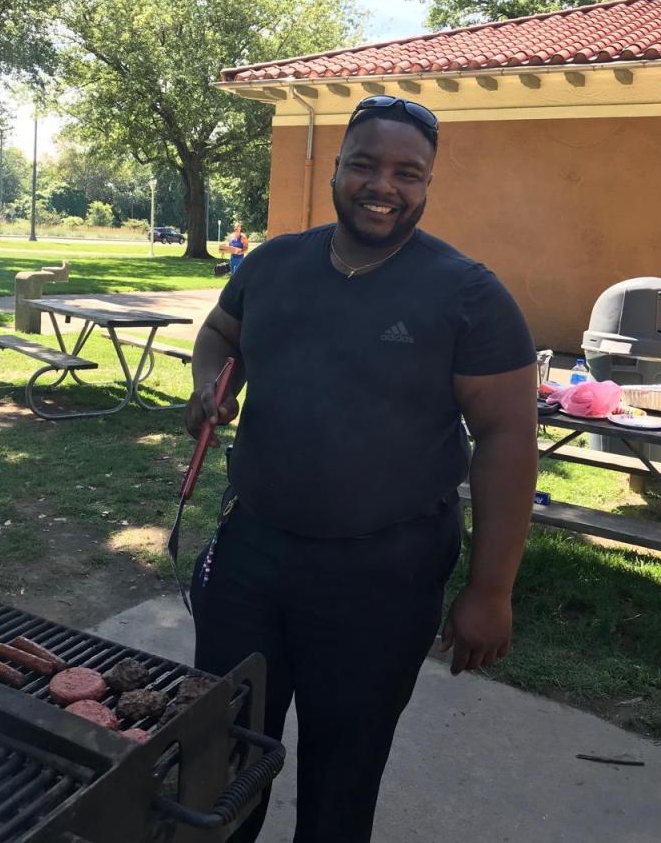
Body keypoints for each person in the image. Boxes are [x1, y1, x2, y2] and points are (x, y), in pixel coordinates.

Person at [185, 95, 538, 843]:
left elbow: (508, 437)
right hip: (251, 551)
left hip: (385, 575)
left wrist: (491, 590)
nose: (384, 186)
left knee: (343, 773)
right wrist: (209, 384)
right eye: (366, 165)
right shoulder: (273, 264)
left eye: (408, 173)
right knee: (222, 751)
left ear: (428, 183)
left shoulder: (468, 294)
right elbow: (220, 334)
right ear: (337, 170)